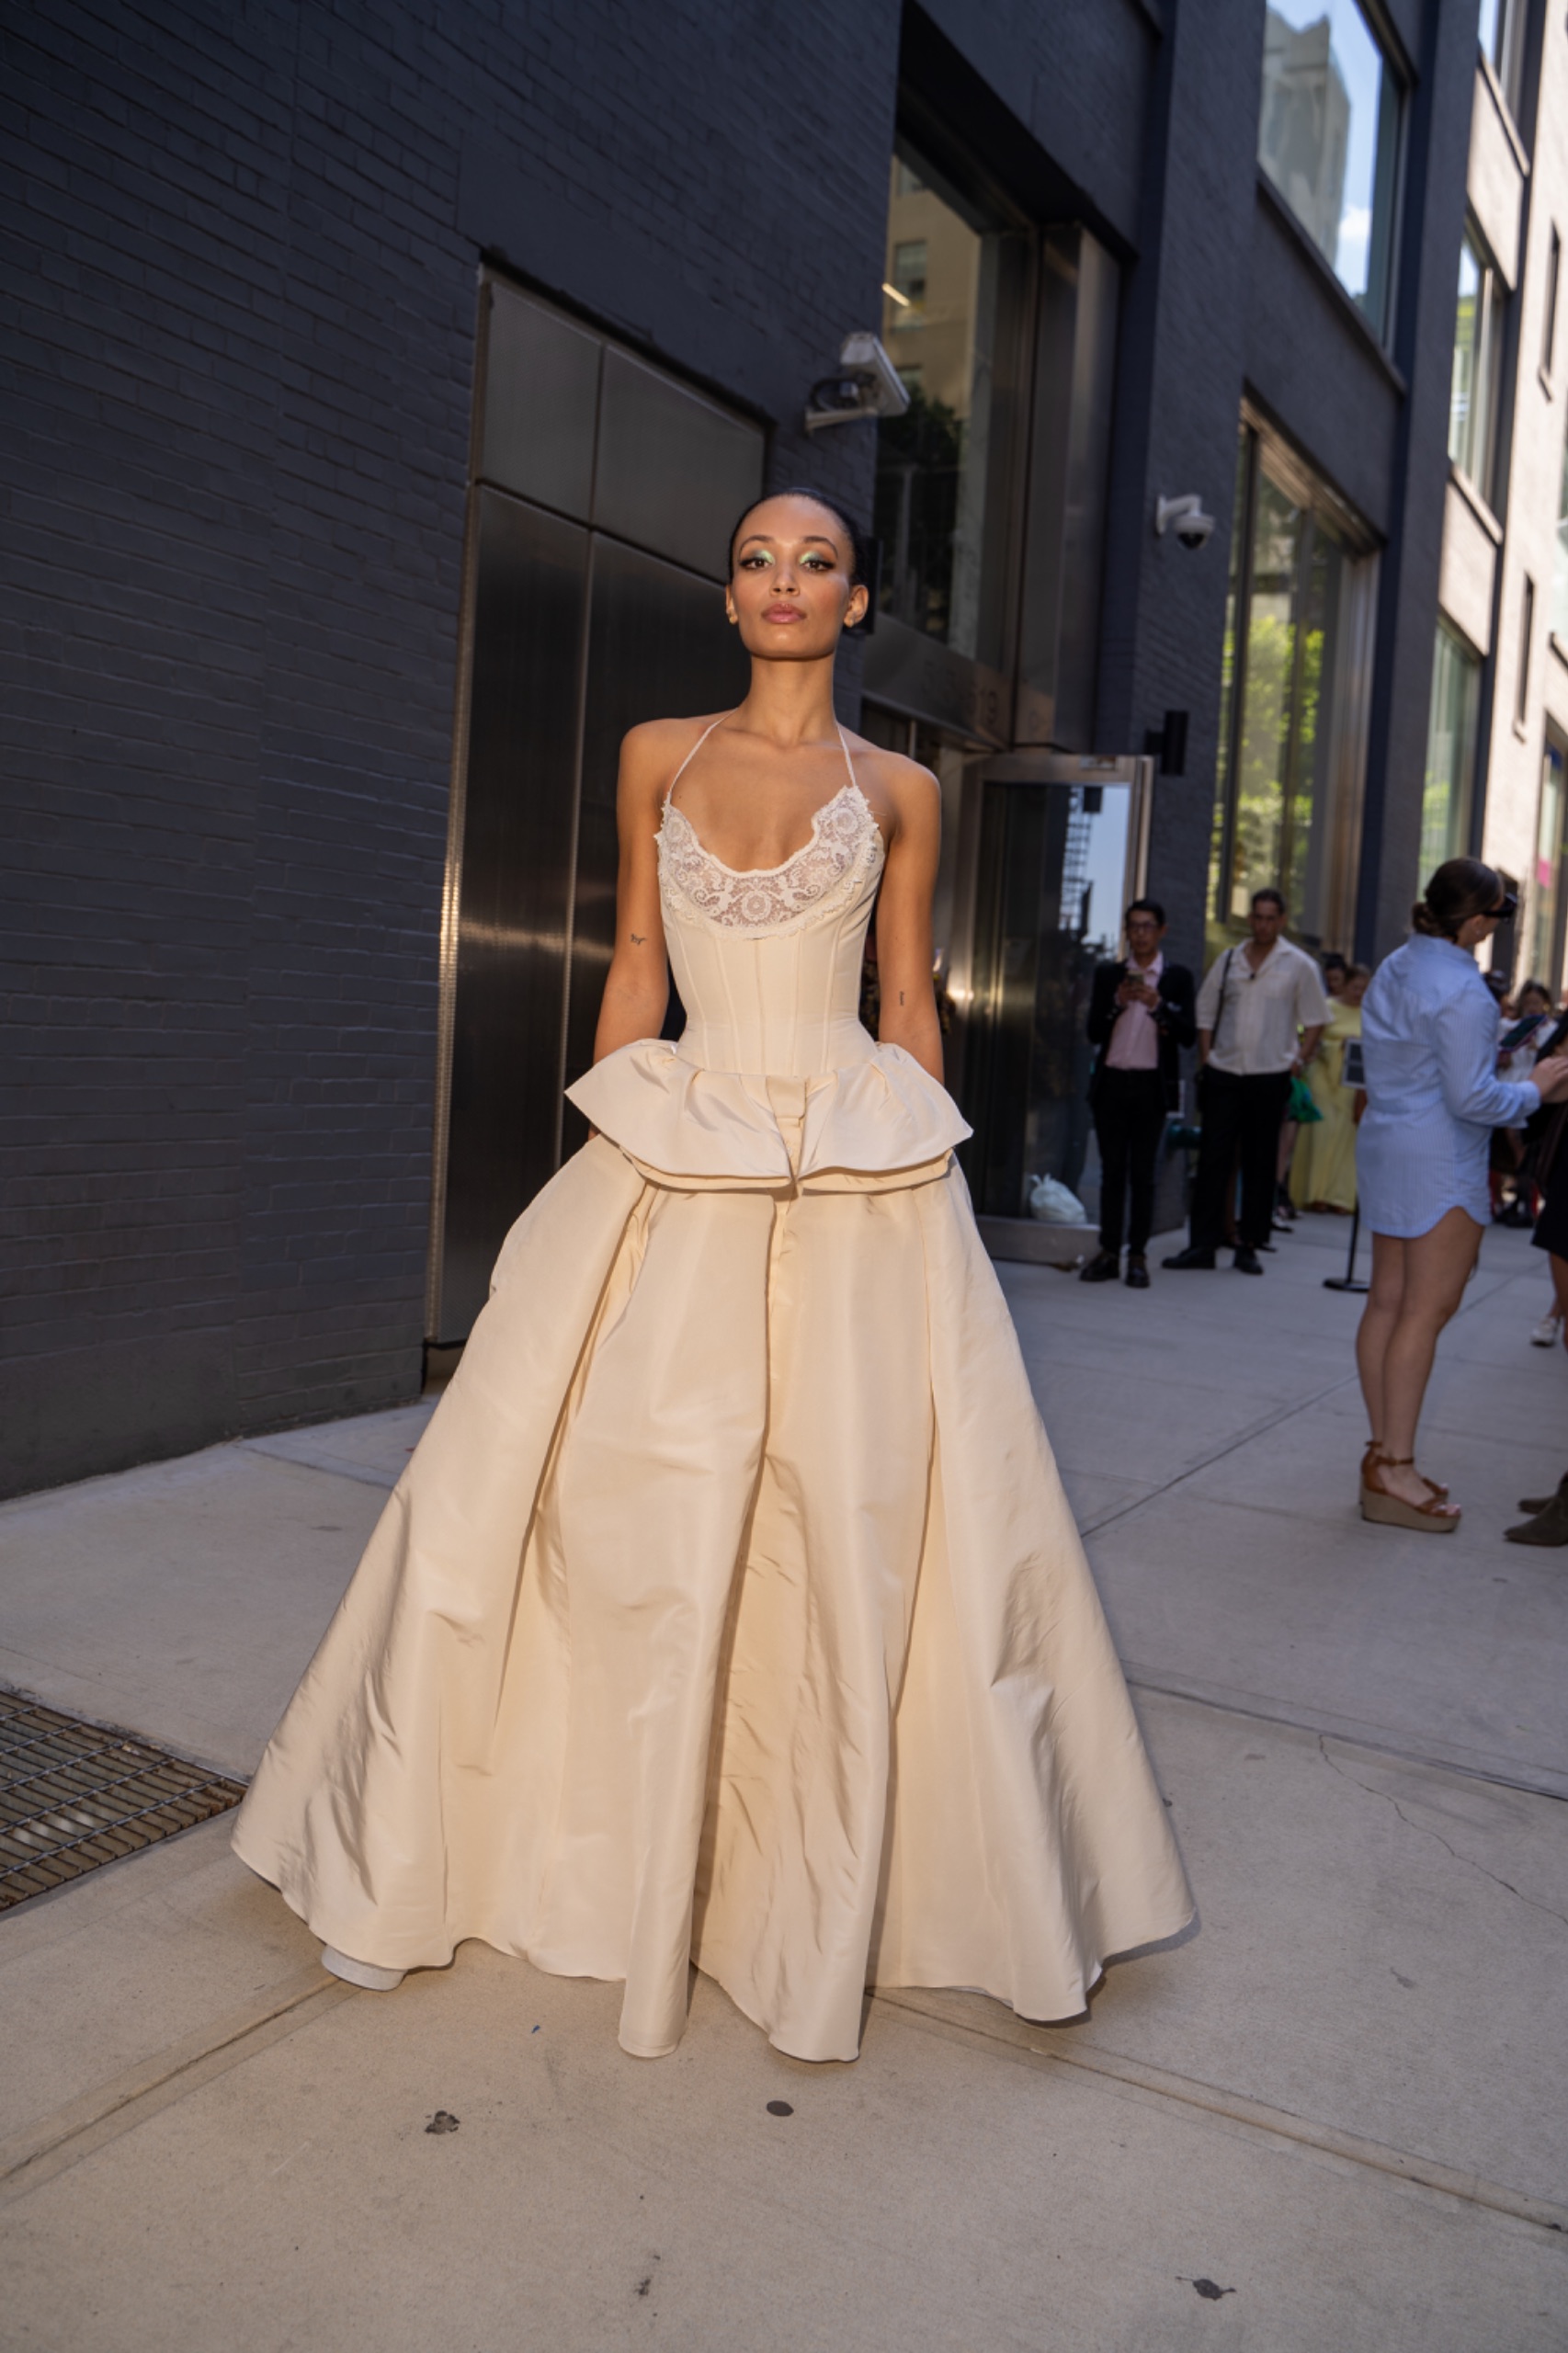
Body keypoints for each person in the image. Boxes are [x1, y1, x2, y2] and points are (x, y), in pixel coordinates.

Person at [232, 486, 1190, 2063]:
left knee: (852, 1504)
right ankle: (566, 1838)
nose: (785, 580)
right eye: (758, 558)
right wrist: (605, 1156)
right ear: (728, 596)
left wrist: (928, 1192)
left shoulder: (897, 788)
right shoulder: (654, 755)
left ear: (857, 601)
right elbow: (633, 964)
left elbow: (903, 995)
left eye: (817, 560)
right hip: (680, 1134)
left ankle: (796, 1876)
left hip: (843, 1159)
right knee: (606, 1496)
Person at [1355, 859, 1568, 1531]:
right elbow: (1473, 1098)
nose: (1496, 927)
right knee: (1424, 1311)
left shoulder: (1395, 965)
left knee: (1387, 1303)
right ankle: (1394, 1465)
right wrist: (1537, 1086)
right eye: (1498, 916)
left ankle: (1384, 1458)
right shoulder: (1466, 991)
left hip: (1388, 1142)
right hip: (1440, 1157)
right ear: (1474, 920)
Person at [1164, 889, 1330, 1275]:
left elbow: (1316, 1019)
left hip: (1270, 1074)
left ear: (1282, 920)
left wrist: (1299, 1059)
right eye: (1257, 917)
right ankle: (1202, 1246)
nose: (1263, 924)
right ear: (1250, 918)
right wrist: (1208, 1057)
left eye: (1271, 918)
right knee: (1212, 1160)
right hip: (1225, 1071)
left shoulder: (1298, 964)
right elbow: (1205, 1013)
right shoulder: (1229, 960)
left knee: (1259, 1162)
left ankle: (1250, 1244)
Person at [1080, 899, 1196, 1289]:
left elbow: (1187, 1035)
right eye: (1134, 926)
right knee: (1111, 1173)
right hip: (1112, 1083)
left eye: (1148, 926)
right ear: (1127, 931)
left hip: (1151, 1086)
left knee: (1143, 1175)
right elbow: (1093, 1031)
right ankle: (1109, 1251)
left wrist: (1158, 1006)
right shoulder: (1109, 974)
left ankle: (1139, 1256)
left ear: (1161, 931)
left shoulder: (1176, 977)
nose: (1140, 933)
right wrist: (1118, 1004)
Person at [1289, 964, 1368, 1213]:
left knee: (1345, 1136)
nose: (1359, 993)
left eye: (1364, 989)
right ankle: (1315, 1193)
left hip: (1351, 1083)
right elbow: (1314, 1040)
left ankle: (1339, 1196)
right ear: (1346, 985)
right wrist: (1335, 1048)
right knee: (1321, 1132)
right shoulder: (1329, 1008)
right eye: (1356, 987)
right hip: (1323, 1076)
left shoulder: (1370, 1014)